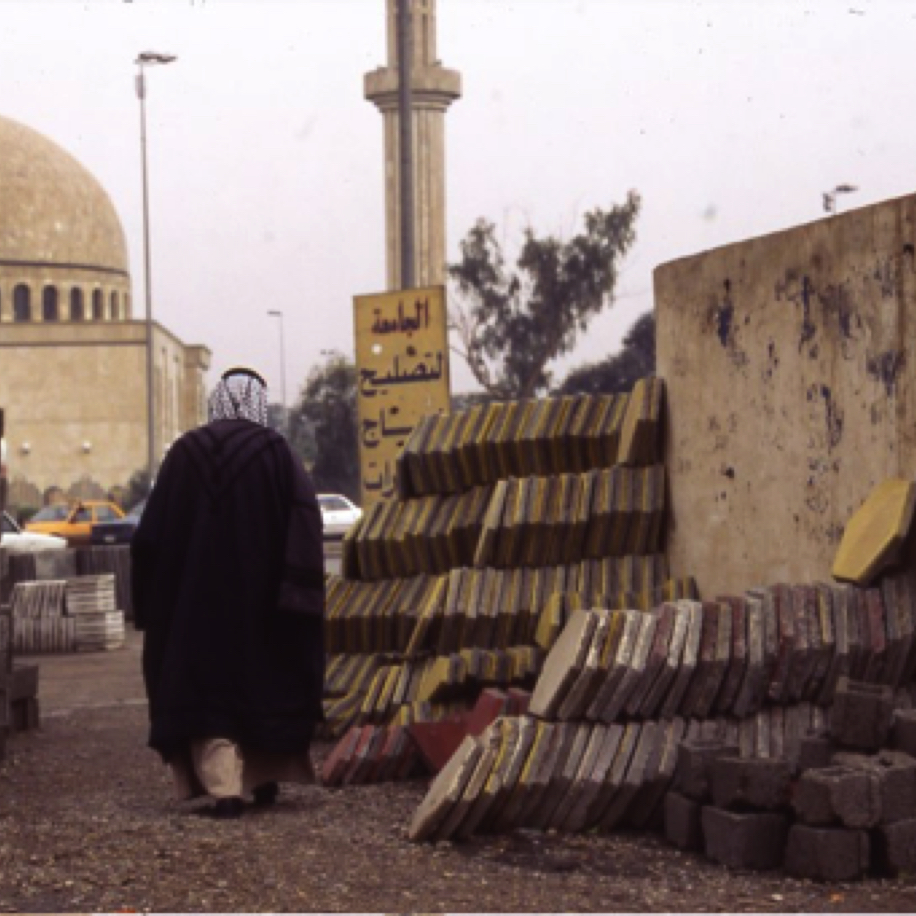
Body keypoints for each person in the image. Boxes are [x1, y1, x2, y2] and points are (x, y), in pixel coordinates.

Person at [131, 366, 325, 819]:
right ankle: (261, 776)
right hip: (264, 609)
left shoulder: (184, 453)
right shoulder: (277, 453)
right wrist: (299, 598)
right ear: (259, 402)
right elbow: (304, 526)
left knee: (207, 699)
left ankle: (224, 787)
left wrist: (153, 606)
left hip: (193, 609)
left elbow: (149, 539)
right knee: (263, 689)